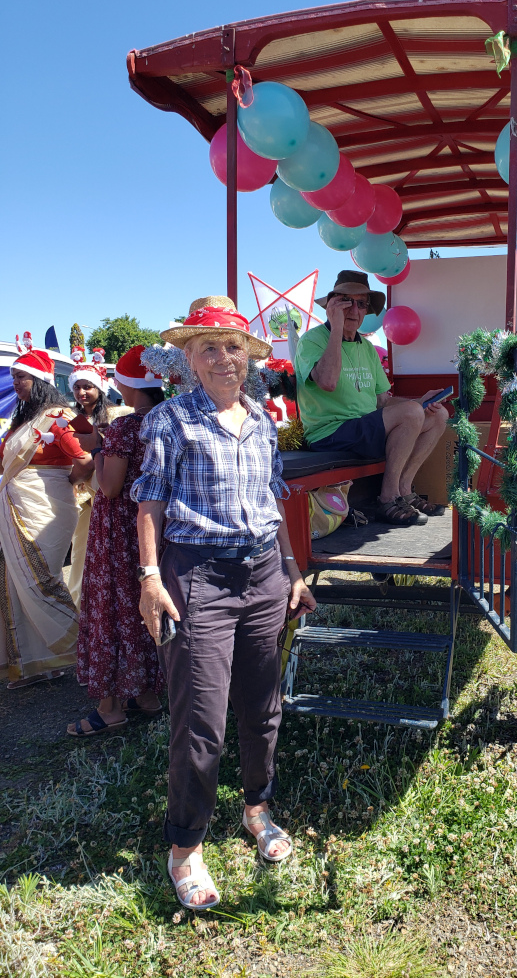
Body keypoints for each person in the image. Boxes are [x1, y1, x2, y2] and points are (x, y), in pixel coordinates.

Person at [131, 296, 317, 911]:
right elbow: (150, 502)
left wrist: (292, 570)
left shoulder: (263, 420)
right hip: (197, 577)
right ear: (187, 358)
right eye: (207, 347)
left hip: (265, 573)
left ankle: (256, 810)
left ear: (249, 358)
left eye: (233, 346)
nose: (222, 358)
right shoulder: (170, 420)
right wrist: (151, 577)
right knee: (201, 719)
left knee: (263, 704)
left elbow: (274, 498)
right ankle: (184, 847)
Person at [294, 270, 449, 526]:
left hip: (364, 428)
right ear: (332, 305)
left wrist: (422, 401)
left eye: (361, 303)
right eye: (346, 302)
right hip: (330, 434)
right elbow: (327, 382)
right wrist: (336, 330)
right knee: (412, 412)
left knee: (437, 415)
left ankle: (405, 490)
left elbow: (383, 402)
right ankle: (387, 498)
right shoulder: (312, 340)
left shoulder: (365, 347)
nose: (354, 310)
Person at [68, 347, 166, 737]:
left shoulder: (126, 427)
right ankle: (147, 696)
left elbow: (108, 487)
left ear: (127, 383)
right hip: (155, 527)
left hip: (120, 529)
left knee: (111, 608)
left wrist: (96, 445)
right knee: (143, 610)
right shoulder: (169, 418)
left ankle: (109, 708)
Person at [0, 347, 92, 689]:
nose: (16, 383)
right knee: (14, 583)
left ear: (39, 380)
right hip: (15, 504)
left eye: (22, 376)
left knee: (41, 580)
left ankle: (86, 648)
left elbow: (84, 461)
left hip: (46, 507)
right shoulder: (22, 420)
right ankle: (37, 665)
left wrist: (61, 483)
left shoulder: (58, 416)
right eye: (13, 378)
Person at [67, 351, 127, 609]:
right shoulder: (68, 418)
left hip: (108, 492)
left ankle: (106, 609)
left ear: (100, 388)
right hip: (79, 496)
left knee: (108, 555)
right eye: (78, 387)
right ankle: (80, 608)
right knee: (80, 552)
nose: (82, 392)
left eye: (88, 386)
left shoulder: (117, 415)